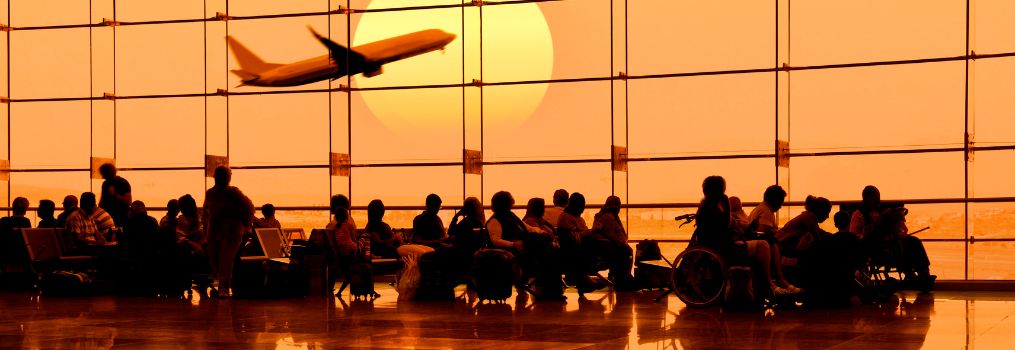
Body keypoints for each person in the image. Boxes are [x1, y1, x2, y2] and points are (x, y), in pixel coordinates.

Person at [692, 176, 795, 296]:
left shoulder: (708, 205)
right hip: (724, 247)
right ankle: (769, 284)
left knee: (765, 243)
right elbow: (725, 226)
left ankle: (766, 284)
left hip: (722, 244)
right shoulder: (713, 207)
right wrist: (727, 207)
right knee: (763, 245)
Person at [202, 166, 254, 298]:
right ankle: (222, 283)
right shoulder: (211, 193)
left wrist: (247, 224)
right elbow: (206, 209)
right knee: (215, 258)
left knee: (226, 258)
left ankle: (223, 287)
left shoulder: (233, 192)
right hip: (216, 229)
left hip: (231, 230)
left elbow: (249, 207)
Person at [864, 207, 935, 290]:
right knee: (913, 244)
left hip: (890, 256)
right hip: (889, 257)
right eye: (899, 223)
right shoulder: (885, 235)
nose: (900, 225)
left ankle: (918, 275)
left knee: (912, 244)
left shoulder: (881, 232)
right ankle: (922, 275)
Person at [743, 184, 797, 292]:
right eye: (780, 202)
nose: (781, 206)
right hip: (763, 243)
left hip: (754, 240)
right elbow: (764, 230)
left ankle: (781, 280)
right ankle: (782, 279)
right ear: (775, 200)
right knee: (789, 248)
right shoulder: (766, 211)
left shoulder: (759, 208)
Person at [556, 192, 605, 293]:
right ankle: (585, 281)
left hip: (579, 248)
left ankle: (584, 281)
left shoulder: (577, 218)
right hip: (573, 250)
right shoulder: (566, 217)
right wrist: (592, 231)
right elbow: (574, 238)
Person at [590, 195, 636, 290]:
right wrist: (623, 243)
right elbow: (613, 236)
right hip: (606, 249)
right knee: (627, 251)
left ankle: (623, 278)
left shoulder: (603, 216)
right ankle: (624, 279)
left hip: (604, 247)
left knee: (625, 250)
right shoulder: (608, 218)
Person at [776, 196, 833, 260]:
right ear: (820, 210)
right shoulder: (809, 218)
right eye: (827, 212)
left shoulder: (807, 216)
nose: (827, 216)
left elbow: (819, 232)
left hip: (781, 246)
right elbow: (817, 236)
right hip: (783, 247)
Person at [326, 194, 360, 295]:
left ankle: (328, 286)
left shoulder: (334, 224)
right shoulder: (350, 220)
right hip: (351, 253)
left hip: (343, 257)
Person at [98, 163, 132, 227]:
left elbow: (128, 201)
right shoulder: (106, 183)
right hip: (110, 217)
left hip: (120, 217)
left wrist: (115, 194)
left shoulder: (122, 182)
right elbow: (102, 200)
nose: (103, 177)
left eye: (104, 174)